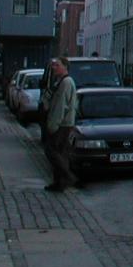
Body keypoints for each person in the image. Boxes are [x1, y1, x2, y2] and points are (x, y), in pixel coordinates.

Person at [43, 57, 82, 192]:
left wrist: (53, 125)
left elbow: (60, 106)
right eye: (53, 65)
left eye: (57, 65)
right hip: (64, 123)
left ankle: (68, 177)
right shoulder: (60, 81)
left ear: (65, 67)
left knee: (52, 151)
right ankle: (59, 183)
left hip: (62, 124)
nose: (54, 68)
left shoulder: (66, 82)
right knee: (61, 153)